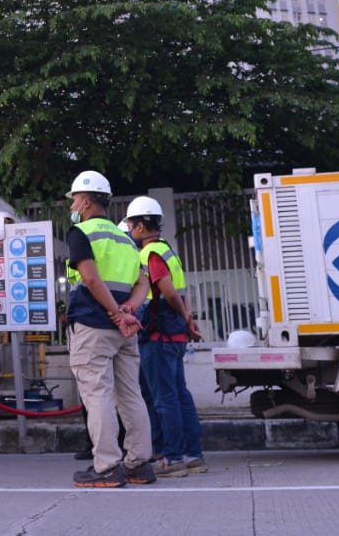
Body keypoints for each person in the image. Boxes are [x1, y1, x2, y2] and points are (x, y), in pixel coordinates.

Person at [64, 170, 155, 488]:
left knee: (97, 395)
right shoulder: (126, 239)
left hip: (92, 325)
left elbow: (90, 278)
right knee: (131, 395)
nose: (72, 204)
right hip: (125, 330)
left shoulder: (80, 232)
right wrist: (128, 309)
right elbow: (144, 282)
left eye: (74, 198)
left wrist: (116, 312)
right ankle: (139, 463)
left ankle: (105, 467)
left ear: (85, 200)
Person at [125, 195, 207, 477]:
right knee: (180, 395)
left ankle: (171, 459)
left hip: (159, 336)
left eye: (130, 226)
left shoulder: (150, 254)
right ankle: (192, 455)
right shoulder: (168, 250)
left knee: (164, 399)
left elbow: (169, 290)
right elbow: (184, 292)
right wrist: (188, 319)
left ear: (138, 227)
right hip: (175, 336)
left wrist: (185, 318)